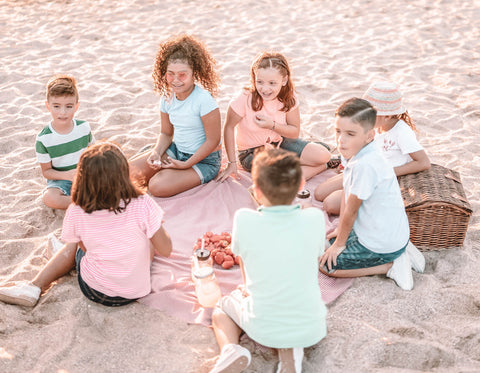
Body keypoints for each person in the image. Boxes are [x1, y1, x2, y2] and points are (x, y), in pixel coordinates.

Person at [0, 142, 172, 307]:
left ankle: (35, 286)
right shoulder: (142, 203)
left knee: (72, 247)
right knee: (147, 236)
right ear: (124, 174)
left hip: (95, 291)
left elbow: (85, 247)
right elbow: (165, 250)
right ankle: (61, 261)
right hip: (136, 291)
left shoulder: (77, 210)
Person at [209, 149, 327, 373]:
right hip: (312, 325)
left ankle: (230, 350)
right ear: (301, 184)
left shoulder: (244, 219)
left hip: (263, 327)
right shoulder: (314, 219)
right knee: (289, 300)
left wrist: (246, 288)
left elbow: (243, 261)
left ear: (257, 190)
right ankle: (291, 358)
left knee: (221, 307)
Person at [318, 98, 425, 291]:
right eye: (338, 131)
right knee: (326, 245)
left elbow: (351, 210)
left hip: (380, 243)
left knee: (326, 266)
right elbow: (346, 194)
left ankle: (390, 266)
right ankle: (400, 251)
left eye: (350, 134)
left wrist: (340, 243)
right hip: (382, 230)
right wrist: (341, 231)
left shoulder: (366, 165)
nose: (341, 139)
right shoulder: (355, 150)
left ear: (369, 135)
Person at [315, 81, 431, 215]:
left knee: (330, 204)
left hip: (380, 181)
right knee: (319, 192)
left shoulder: (402, 132)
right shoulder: (378, 127)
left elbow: (424, 162)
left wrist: (387, 171)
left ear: (387, 116)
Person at [215, 51, 334, 183]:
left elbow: (294, 132)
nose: (265, 89)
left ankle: (319, 159)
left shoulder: (289, 97)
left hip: (280, 142)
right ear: (254, 78)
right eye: (260, 82)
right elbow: (229, 127)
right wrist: (232, 163)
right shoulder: (245, 97)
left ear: (284, 80)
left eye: (272, 83)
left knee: (324, 155)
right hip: (251, 153)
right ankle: (321, 167)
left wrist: (272, 125)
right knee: (277, 178)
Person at [129, 34, 222, 197]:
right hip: (177, 151)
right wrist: (157, 152)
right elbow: (166, 133)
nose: (176, 80)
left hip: (204, 161)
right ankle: (153, 154)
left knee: (156, 186)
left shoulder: (204, 100)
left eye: (182, 74)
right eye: (170, 73)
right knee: (127, 173)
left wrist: (186, 165)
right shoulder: (167, 98)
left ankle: (174, 173)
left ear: (194, 73)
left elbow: (213, 141)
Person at [36, 74, 95, 210]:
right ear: (48, 106)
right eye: (56, 106)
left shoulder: (84, 127)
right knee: (49, 198)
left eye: (69, 106)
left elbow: (94, 153)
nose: (62, 112)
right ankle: (85, 203)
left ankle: (88, 198)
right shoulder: (43, 139)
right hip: (61, 181)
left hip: (86, 175)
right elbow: (47, 171)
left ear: (76, 106)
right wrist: (67, 175)